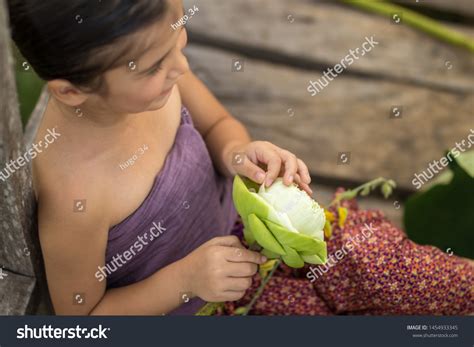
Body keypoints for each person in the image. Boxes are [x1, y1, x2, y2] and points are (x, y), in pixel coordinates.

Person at [7, 0, 472, 316]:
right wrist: (187, 280)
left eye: (178, 35)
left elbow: (216, 127)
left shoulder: (161, 76)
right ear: (71, 91)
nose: (182, 67)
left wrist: (241, 156)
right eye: (153, 67)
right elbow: (81, 317)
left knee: (373, 259)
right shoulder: (74, 197)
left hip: (252, 239)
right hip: (211, 307)